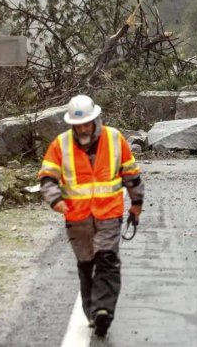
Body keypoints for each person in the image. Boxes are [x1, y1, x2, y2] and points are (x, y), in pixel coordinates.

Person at [38, 94, 144, 337]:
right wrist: (55, 199)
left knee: (107, 261)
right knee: (86, 266)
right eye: (78, 125)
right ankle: (92, 313)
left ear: (96, 119)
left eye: (86, 123)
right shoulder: (60, 144)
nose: (83, 128)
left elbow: (131, 174)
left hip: (109, 214)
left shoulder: (115, 138)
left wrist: (136, 203)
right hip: (77, 219)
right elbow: (47, 178)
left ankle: (103, 310)